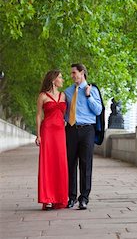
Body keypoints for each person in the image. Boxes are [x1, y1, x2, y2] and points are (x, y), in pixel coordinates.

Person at [64, 63, 102, 210]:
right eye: (71, 73)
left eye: (74, 73)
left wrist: (88, 96)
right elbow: (64, 112)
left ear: (82, 73)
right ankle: (71, 197)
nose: (72, 76)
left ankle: (84, 198)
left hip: (87, 130)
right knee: (70, 164)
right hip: (71, 130)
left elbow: (98, 110)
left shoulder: (92, 90)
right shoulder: (68, 92)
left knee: (86, 165)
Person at [36, 70, 68, 210]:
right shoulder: (42, 96)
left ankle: (60, 198)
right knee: (47, 164)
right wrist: (38, 135)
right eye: (60, 77)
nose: (62, 80)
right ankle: (47, 198)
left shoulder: (64, 95)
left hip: (60, 133)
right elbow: (38, 116)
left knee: (60, 163)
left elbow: (67, 114)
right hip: (47, 132)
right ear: (53, 79)